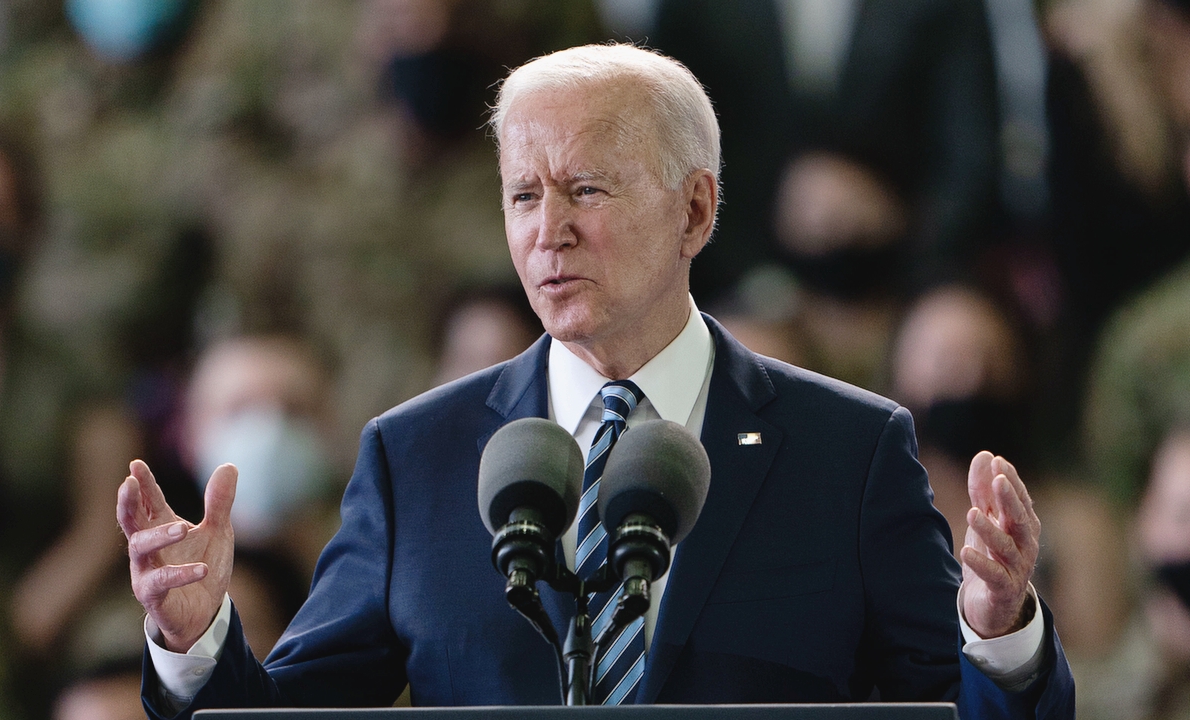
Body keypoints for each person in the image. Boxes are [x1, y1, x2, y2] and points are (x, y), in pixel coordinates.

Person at [118, 44, 1073, 718]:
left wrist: (1000, 637)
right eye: (523, 196)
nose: (547, 231)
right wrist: (198, 644)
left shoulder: (850, 452)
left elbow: (959, 712)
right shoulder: (417, 457)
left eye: (584, 189)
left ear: (695, 209)